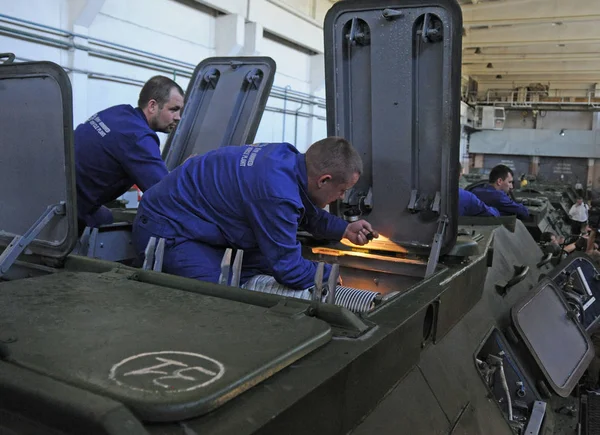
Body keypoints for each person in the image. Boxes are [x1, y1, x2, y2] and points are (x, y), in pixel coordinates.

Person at [132, 137, 379, 290]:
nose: (341, 198)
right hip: (165, 227)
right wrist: (329, 274)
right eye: (342, 190)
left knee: (260, 263)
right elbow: (289, 270)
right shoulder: (276, 193)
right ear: (324, 180)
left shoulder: (288, 159)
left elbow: (305, 209)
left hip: (194, 220)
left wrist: (344, 229)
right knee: (223, 292)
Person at [74, 75, 184, 230]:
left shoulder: (118, 112)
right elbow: (164, 195)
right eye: (173, 110)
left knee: (106, 217)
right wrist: (185, 172)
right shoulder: (138, 137)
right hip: (72, 210)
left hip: (54, 191)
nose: (178, 117)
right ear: (152, 106)